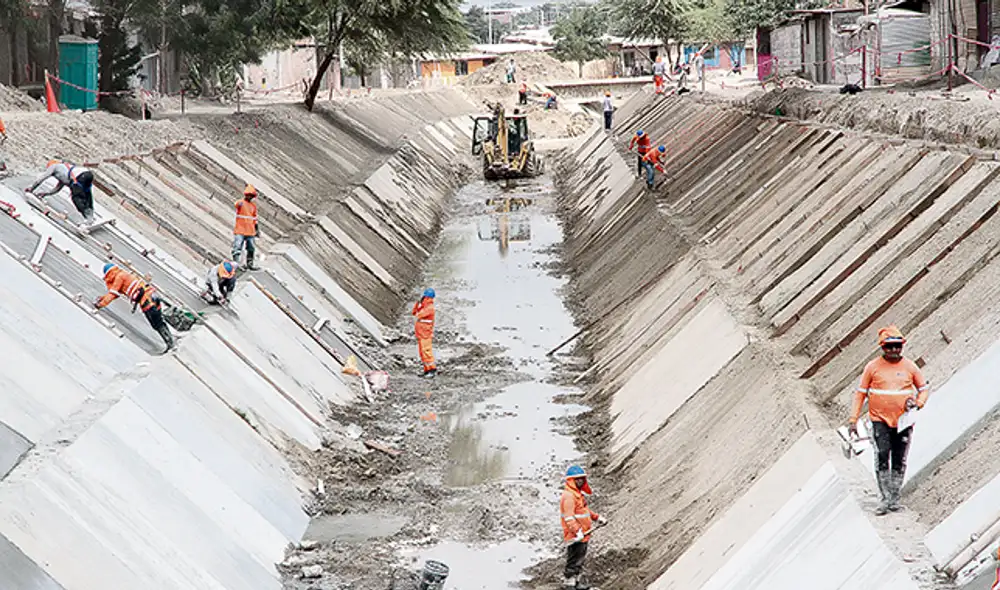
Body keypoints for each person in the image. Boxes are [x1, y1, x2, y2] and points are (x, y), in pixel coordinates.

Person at [848, 325, 930, 515]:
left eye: (897, 346)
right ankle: (885, 498)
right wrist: (853, 419)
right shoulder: (872, 367)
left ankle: (894, 497)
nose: (893, 351)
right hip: (879, 420)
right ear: (882, 347)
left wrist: (918, 403)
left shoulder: (909, 367)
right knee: (883, 454)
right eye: (889, 347)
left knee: (899, 458)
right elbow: (860, 394)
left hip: (903, 421)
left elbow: (923, 388)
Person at [95, 263, 174, 351]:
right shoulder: (124, 274)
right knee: (159, 320)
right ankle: (171, 340)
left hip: (146, 301)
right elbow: (116, 293)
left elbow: (113, 294)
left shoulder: (118, 277)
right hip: (152, 295)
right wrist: (103, 298)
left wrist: (100, 304)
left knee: (156, 323)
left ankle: (170, 344)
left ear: (108, 274)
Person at [561, 465, 601, 590]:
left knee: (579, 560)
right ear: (571, 480)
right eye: (577, 479)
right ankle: (569, 585)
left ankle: (576, 583)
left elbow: (584, 510)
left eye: (582, 479)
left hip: (583, 534)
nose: (580, 481)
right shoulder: (569, 496)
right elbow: (569, 518)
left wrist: (596, 517)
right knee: (573, 560)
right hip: (575, 536)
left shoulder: (577, 494)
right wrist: (577, 531)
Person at [25, 159, 96, 224]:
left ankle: (88, 218)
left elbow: (41, 178)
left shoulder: (54, 166)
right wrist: (46, 194)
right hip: (88, 175)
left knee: (76, 198)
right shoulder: (63, 172)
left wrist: (31, 189)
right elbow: (58, 188)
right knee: (87, 196)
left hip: (80, 177)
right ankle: (91, 216)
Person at [232, 183, 259, 270]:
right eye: (249, 195)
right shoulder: (240, 203)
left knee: (251, 248)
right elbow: (236, 204)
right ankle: (236, 264)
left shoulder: (253, 207)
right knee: (237, 247)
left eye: (251, 196)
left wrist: (257, 230)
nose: (250, 197)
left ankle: (250, 263)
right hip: (240, 230)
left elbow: (255, 219)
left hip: (250, 231)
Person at [412, 288, 436, 377]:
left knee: (426, 352)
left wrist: (420, 305)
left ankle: (432, 370)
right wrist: (418, 304)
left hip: (425, 334)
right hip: (421, 333)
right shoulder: (425, 306)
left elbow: (419, 314)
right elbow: (414, 312)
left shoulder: (429, 308)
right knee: (422, 353)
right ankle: (426, 370)